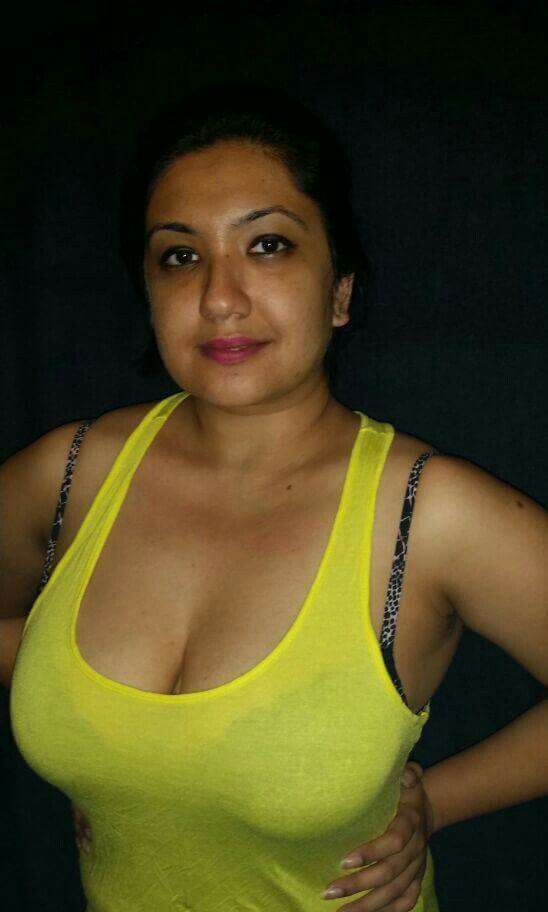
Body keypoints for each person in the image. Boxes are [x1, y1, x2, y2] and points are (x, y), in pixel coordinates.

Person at [1, 82, 546, 912]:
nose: (219, 297)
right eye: (179, 257)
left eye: (268, 246)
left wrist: (437, 802)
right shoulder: (70, 474)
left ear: (340, 290)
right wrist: (116, 752)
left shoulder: (425, 516)